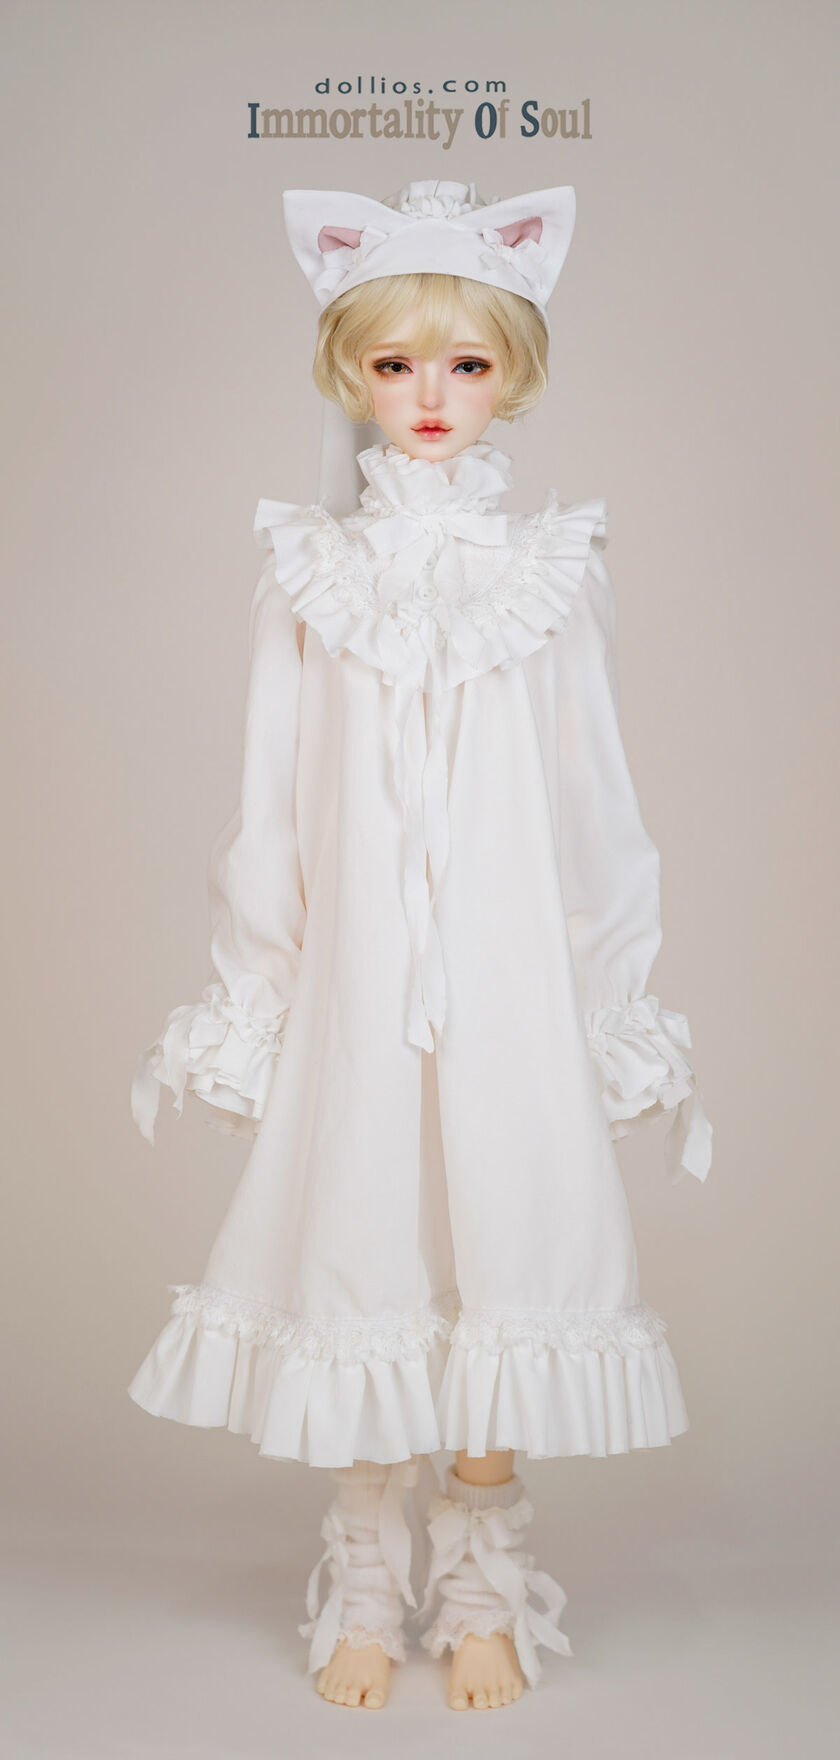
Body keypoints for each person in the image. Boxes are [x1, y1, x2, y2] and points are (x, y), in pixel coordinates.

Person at [128, 180, 713, 1713]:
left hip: (513, 977)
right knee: (364, 1236)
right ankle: (366, 1572)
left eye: (464, 361)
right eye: (395, 364)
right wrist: (258, 992)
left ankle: (482, 1582)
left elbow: (597, 804)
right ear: (351, 372)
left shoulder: (554, 572)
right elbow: (268, 803)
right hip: (362, 979)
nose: (431, 393)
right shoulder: (309, 572)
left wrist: (611, 1000)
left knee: (505, 1241)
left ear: (514, 369)